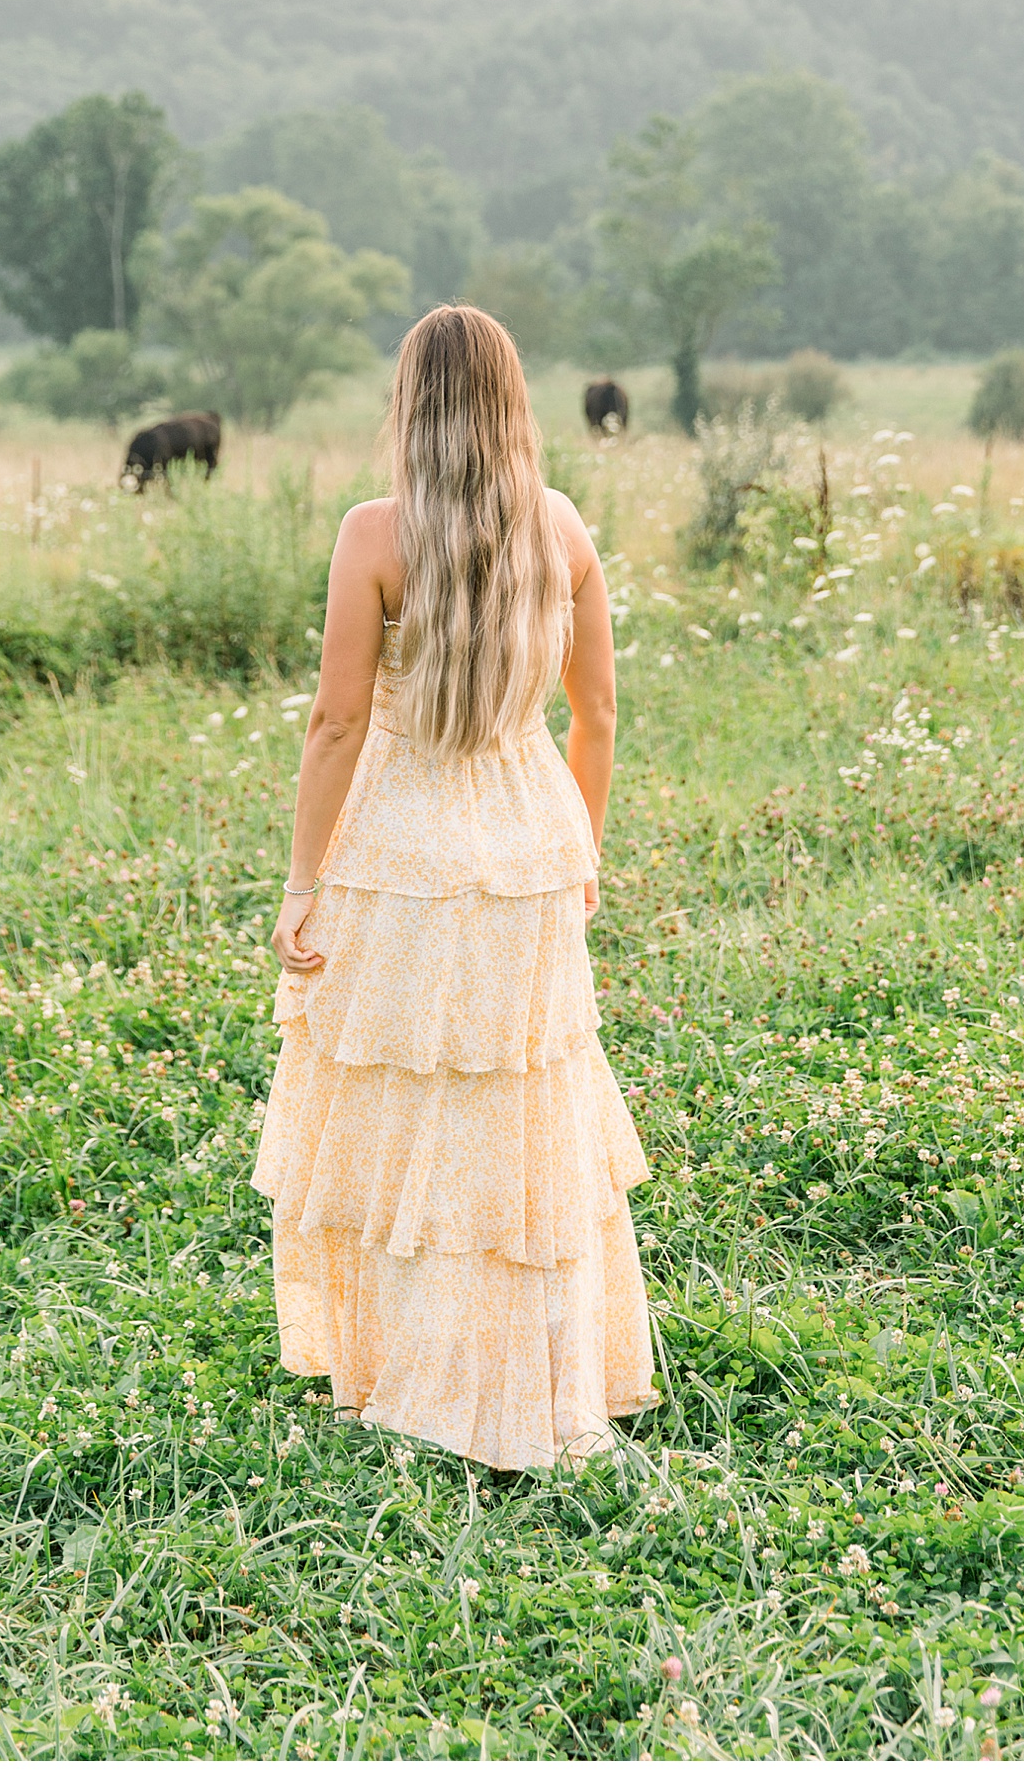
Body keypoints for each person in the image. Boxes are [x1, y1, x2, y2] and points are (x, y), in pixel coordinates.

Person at [252, 304, 654, 1470]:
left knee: (409, 1111)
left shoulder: (374, 533)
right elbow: (599, 715)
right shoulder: (563, 526)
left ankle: (421, 1378)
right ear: (516, 400)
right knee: (524, 1112)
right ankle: (539, 1377)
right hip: (528, 838)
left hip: (403, 849)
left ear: (411, 404)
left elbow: (335, 722)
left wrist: (299, 878)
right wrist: (581, 849)